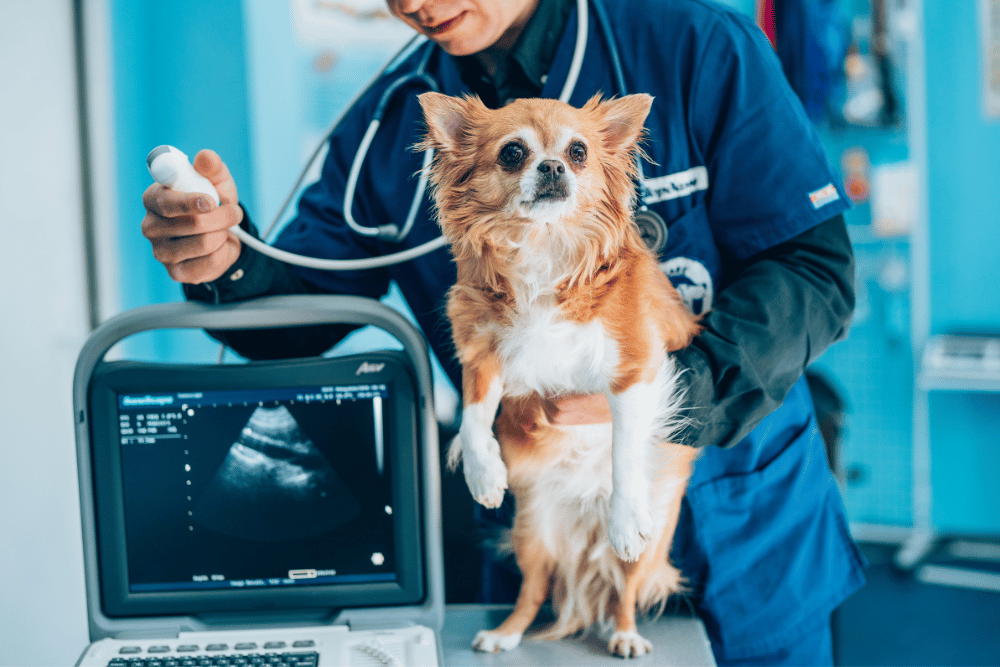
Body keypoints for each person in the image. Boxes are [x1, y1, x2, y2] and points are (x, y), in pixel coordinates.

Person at [141, 0, 866, 663]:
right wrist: (227, 262)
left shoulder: (696, 47)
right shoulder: (390, 125)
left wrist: (675, 388)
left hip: (745, 526)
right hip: (546, 526)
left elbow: (814, 269)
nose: (416, 6)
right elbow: (298, 313)